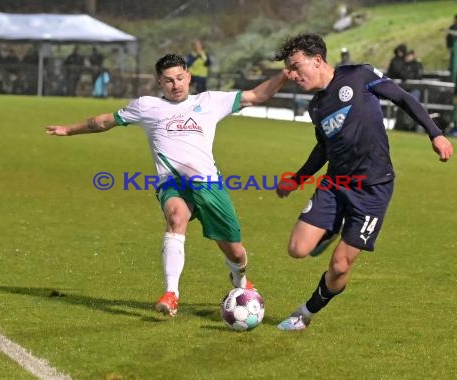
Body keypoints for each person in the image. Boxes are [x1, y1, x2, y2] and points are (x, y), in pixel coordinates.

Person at [46, 53, 288, 317]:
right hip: (172, 183)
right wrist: (70, 130)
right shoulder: (146, 106)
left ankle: (239, 281)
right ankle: (171, 294)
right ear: (159, 83)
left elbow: (257, 95)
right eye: (169, 80)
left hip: (209, 185)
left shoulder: (210, 101)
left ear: (189, 77)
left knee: (236, 253)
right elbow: (104, 121)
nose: (176, 85)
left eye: (180, 78)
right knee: (176, 217)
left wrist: (284, 75)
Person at [271, 33, 453, 330]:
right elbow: (323, 149)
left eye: (295, 66)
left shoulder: (359, 75)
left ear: (317, 61)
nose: (291, 75)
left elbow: (404, 98)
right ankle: (332, 227)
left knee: (340, 266)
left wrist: (436, 133)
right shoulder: (315, 107)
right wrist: (297, 179)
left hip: (373, 189)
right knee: (297, 249)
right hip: (335, 184)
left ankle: (305, 312)